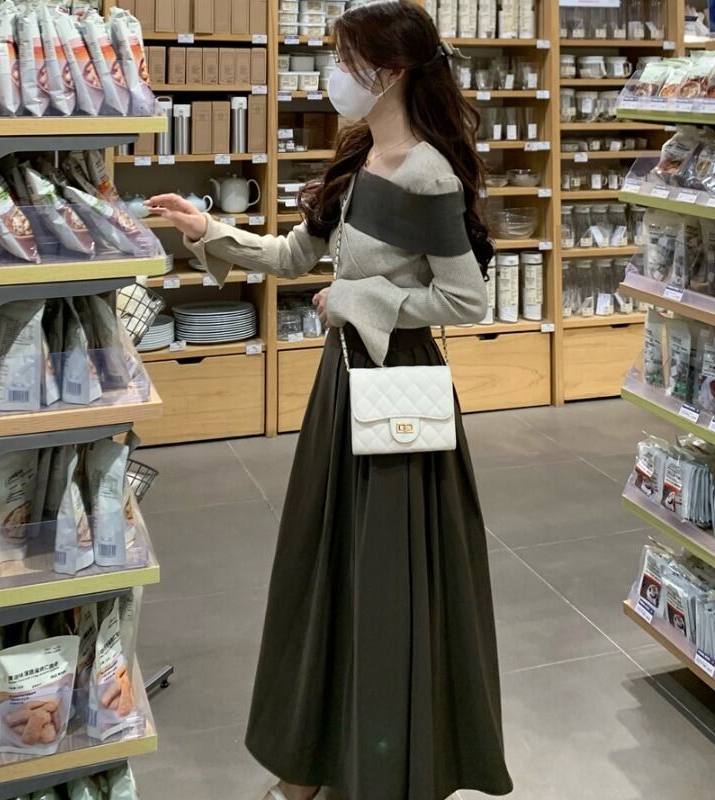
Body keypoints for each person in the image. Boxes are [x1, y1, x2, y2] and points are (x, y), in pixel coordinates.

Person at [147, 2, 513, 798]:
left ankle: (381, 761)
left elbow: (466, 301)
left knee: (384, 578)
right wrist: (207, 229)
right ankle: (315, 758)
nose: (334, 73)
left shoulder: (427, 174)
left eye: (346, 59)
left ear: (393, 70)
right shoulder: (358, 156)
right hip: (343, 383)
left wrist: (359, 298)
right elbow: (292, 255)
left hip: (397, 388)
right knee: (328, 568)